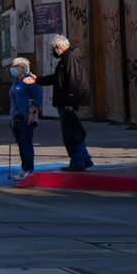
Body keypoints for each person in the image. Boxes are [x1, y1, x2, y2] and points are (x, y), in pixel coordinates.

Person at [49, 34, 94, 171]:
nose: (53, 51)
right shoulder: (66, 58)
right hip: (67, 101)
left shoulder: (69, 58)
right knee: (74, 131)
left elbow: (73, 80)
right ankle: (84, 159)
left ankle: (78, 162)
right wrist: (38, 80)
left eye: (53, 48)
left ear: (58, 47)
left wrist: (69, 102)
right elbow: (58, 78)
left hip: (68, 103)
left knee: (71, 133)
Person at [7, 57, 41, 180]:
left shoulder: (29, 80)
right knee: (21, 144)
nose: (12, 69)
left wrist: (33, 114)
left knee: (26, 144)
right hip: (16, 117)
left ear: (22, 67)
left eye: (14, 66)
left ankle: (29, 169)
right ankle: (24, 168)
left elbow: (37, 98)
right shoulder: (16, 81)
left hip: (26, 117)